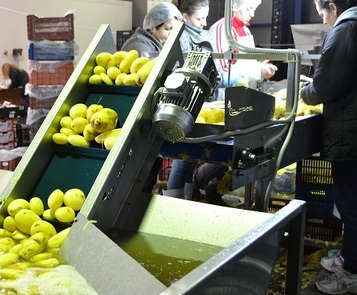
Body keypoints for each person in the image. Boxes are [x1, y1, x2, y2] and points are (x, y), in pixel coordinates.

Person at [192, 0, 278, 205]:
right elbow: (224, 69)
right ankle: (200, 182)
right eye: (249, 9)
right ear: (234, 6)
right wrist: (258, 71)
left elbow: (242, 62)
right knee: (230, 149)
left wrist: (259, 67)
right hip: (225, 100)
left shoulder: (244, 31)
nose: (252, 14)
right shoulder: (224, 29)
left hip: (243, 100)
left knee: (240, 148)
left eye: (254, 10)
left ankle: (213, 192)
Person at [300, 0, 357, 293]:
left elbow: (324, 87)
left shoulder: (346, 29)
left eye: (323, 14)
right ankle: (349, 261)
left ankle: (350, 275)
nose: (324, 21)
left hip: (351, 137)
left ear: (332, 6)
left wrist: (303, 91)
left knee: (352, 208)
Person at [164, 0, 212, 199]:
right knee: (182, 161)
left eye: (205, 18)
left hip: (198, 103)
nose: (204, 23)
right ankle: (171, 209)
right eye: (199, 18)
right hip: (184, 104)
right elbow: (183, 72)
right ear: (185, 17)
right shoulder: (182, 38)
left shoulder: (200, 35)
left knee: (189, 160)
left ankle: (185, 204)